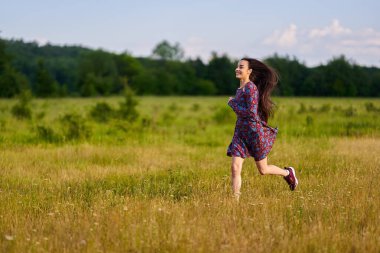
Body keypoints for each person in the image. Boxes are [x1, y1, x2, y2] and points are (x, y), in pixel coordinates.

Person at [227, 58, 298, 201]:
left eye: (241, 67)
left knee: (263, 170)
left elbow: (251, 113)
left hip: (254, 134)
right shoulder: (240, 89)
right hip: (240, 134)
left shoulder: (251, 88)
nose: (237, 69)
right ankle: (234, 203)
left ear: (249, 71)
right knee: (235, 168)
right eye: (237, 66)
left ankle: (287, 173)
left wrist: (233, 103)